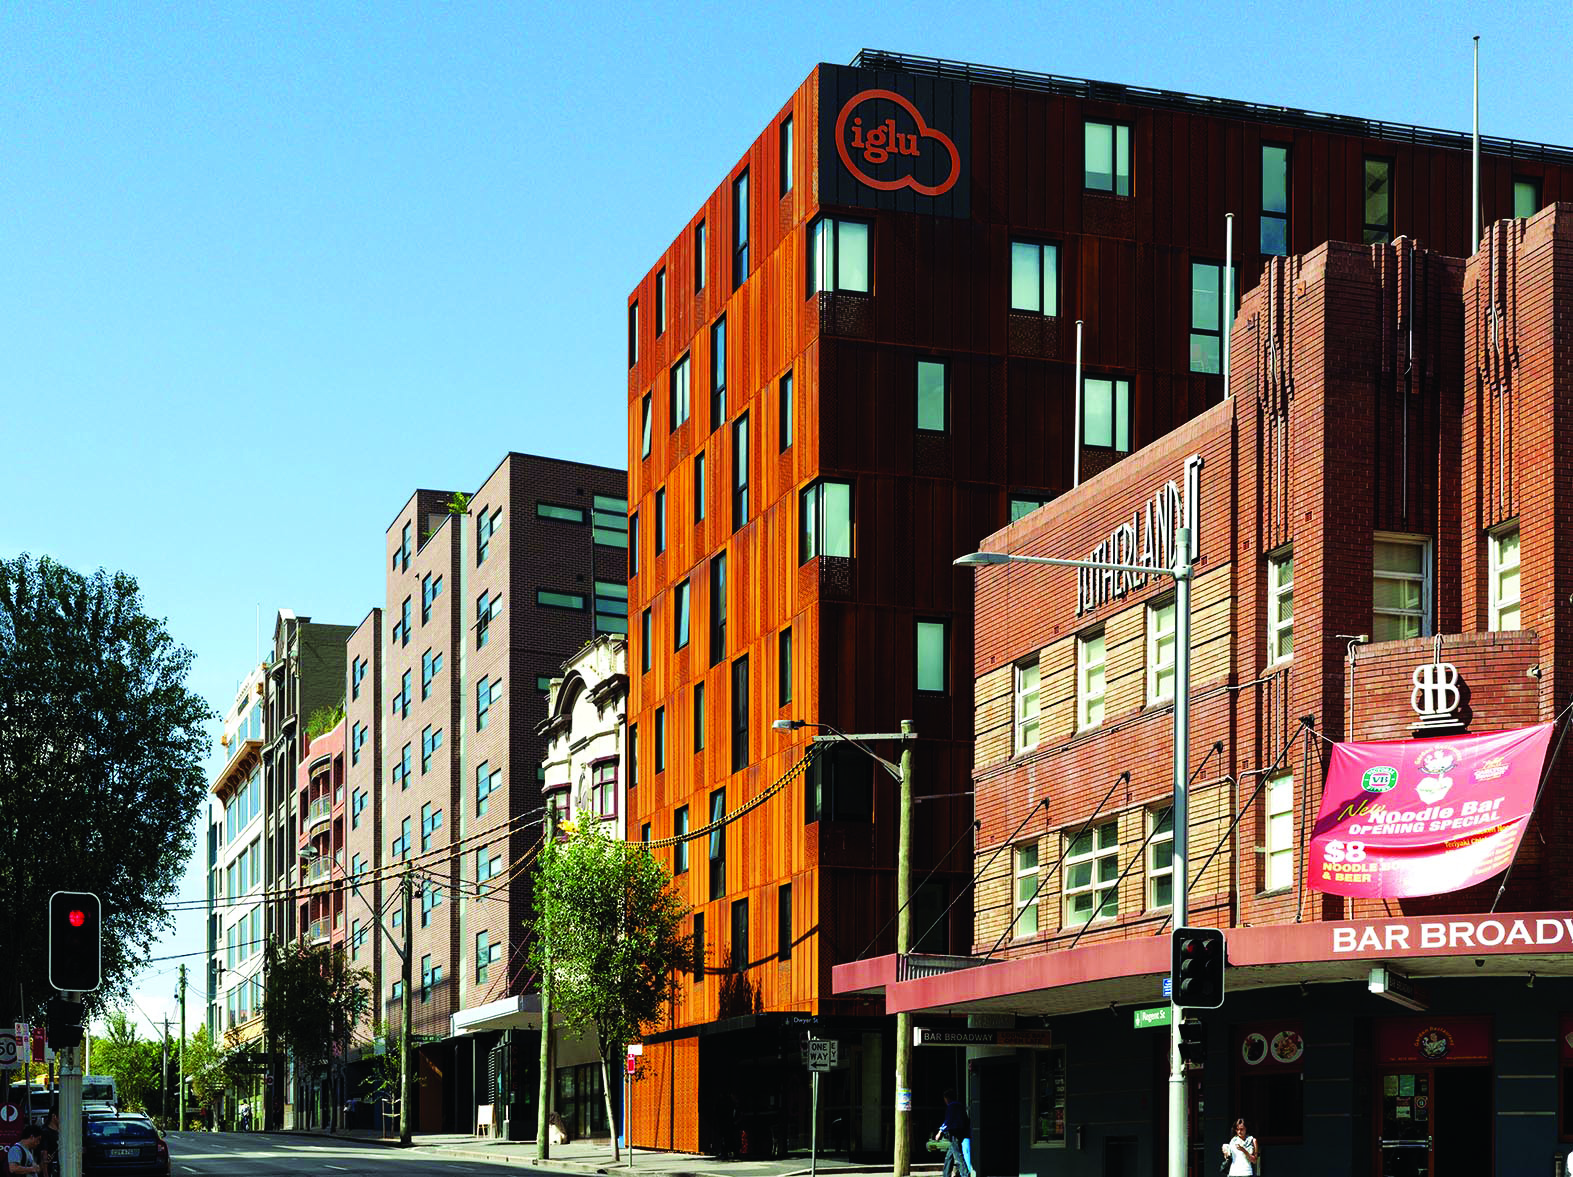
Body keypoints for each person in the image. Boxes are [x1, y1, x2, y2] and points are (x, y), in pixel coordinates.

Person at [934, 1088, 973, 1177]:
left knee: (958, 1155)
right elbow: (966, 1120)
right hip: (962, 1132)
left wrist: (940, 1132)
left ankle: (965, 1174)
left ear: (947, 1098)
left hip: (955, 1133)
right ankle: (946, 1174)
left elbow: (948, 1121)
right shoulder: (960, 1106)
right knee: (949, 1156)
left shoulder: (951, 1107)